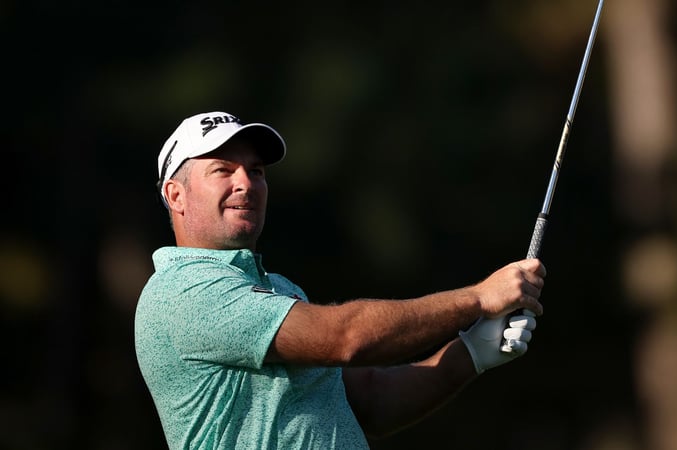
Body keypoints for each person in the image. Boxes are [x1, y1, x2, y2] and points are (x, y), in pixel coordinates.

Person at [134, 111, 547, 449]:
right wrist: (477, 299)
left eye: (256, 171)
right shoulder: (183, 290)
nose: (246, 183)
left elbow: (372, 401)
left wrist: (471, 352)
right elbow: (345, 337)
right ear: (176, 195)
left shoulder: (277, 290)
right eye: (223, 170)